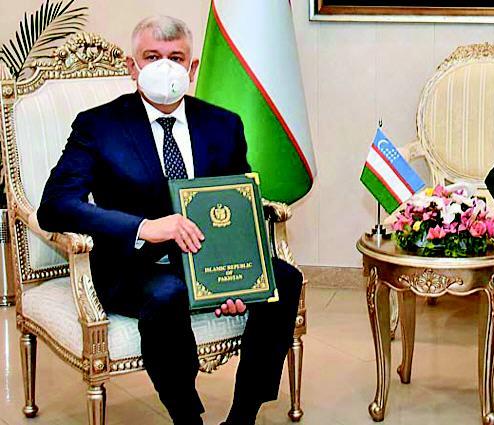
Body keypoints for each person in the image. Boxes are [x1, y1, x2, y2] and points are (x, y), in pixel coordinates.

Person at [37, 15, 302, 425]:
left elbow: (235, 206)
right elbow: (55, 205)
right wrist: (142, 227)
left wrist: (238, 276)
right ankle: (186, 417)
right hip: (131, 265)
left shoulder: (223, 124)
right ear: (132, 67)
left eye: (176, 57)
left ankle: (244, 414)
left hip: (205, 257)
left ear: (191, 68)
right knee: (168, 294)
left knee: (284, 280)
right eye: (152, 56)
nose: (165, 66)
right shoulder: (98, 125)